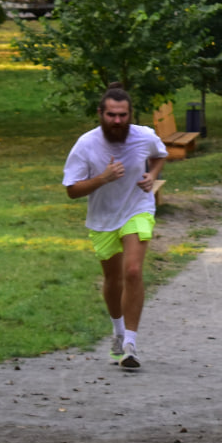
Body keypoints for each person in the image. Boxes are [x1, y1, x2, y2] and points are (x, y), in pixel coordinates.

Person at [63, 84, 167, 369]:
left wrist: (152, 175)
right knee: (112, 279)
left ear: (130, 114)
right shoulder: (86, 144)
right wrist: (103, 178)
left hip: (137, 208)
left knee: (132, 270)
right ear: (100, 113)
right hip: (103, 218)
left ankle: (131, 345)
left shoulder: (144, 136)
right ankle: (118, 332)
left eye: (123, 115)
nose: (117, 120)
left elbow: (160, 154)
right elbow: (72, 190)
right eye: (111, 115)